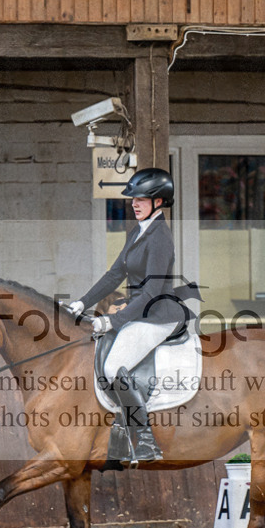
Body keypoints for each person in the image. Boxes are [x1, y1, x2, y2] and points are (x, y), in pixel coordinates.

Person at [68, 168, 190, 465]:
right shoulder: (139, 230)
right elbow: (115, 274)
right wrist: (82, 302)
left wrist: (112, 321)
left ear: (159, 201)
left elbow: (149, 293)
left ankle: (146, 441)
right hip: (140, 311)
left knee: (113, 367)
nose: (134, 203)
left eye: (141, 199)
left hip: (159, 315)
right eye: (132, 199)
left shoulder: (160, 238)